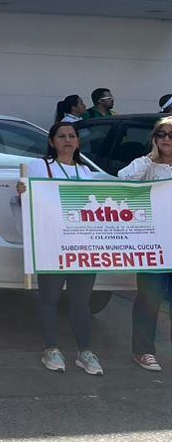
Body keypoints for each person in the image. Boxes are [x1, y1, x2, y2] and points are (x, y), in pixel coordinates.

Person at [17, 121, 108, 375]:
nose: (67, 140)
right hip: (52, 244)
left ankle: (85, 351)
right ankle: (51, 348)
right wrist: (22, 191)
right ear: (51, 141)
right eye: (61, 136)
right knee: (50, 297)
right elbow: (26, 202)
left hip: (82, 247)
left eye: (71, 136)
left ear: (78, 142)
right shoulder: (39, 167)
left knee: (81, 300)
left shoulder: (86, 172)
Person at [118, 115, 172, 372]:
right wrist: (151, 157)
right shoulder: (147, 166)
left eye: (171, 135)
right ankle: (143, 351)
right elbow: (125, 180)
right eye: (161, 134)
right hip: (153, 245)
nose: (166, 139)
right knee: (149, 299)